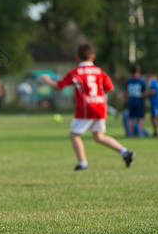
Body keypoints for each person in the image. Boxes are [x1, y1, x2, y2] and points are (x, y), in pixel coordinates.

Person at [40, 43, 135, 171]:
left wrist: (47, 80)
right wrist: (98, 97)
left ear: (77, 57)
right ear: (93, 57)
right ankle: (125, 152)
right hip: (100, 106)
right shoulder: (99, 71)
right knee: (98, 136)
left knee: (74, 135)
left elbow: (58, 85)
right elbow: (109, 87)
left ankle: (82, 163)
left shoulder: (76, 72)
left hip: (86, 107)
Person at [126, 63, 147, 137]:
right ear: (139, 70)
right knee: (140, 118)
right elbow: (143, 92)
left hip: (131, 100)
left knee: (131, 118)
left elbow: (127, 92)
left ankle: (130, 133)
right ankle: (140, 132)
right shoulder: (141, 81)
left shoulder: (128, 80)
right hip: (139, 101)